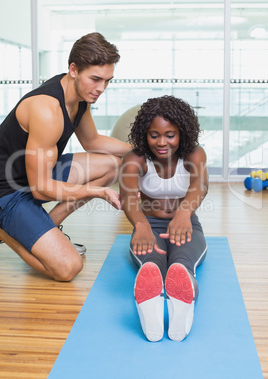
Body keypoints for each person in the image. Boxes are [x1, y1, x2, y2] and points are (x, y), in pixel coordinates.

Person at [0, 32, 131, 281]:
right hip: (8, 192)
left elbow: (92, 141)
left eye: (107, 80)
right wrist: (97, 192)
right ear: (73, 69)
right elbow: (41, 190)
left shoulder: (80, 97)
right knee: (68, 268)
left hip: (35, 175)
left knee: (114, 165)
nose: (101, 88)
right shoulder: (46, 110)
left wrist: (144, 151)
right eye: (95, 79)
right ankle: (6, 233)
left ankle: (47, 227)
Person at [120, 95, 208, 342]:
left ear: (182, 132)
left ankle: (183, 298)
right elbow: (127, 195)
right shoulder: (135, 159)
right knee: (152, 264)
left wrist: (184, 213)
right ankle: (151, 305)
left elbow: (200, 185)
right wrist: (140, 225)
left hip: (185, 224)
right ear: (143, 134)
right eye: (154, 135)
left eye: (170, 134)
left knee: (181, 264)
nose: (162, 142)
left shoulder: (194, 154)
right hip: (148, 225)